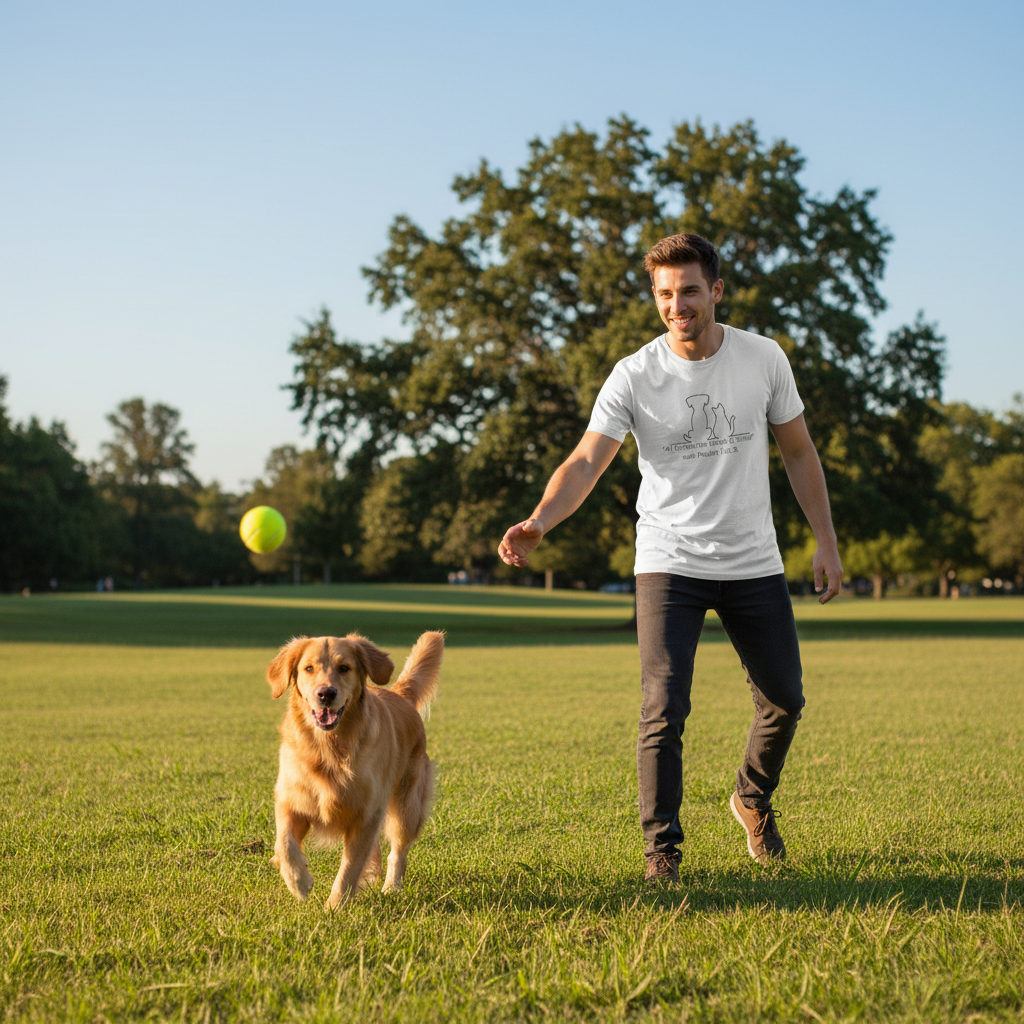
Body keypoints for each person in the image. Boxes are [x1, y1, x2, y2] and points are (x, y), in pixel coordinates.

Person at [498, 233, 842, 882]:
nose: (676, 305)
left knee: (784, 700)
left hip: (752, 559)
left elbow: (799, 451)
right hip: (669, 558)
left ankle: (752, 797)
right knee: (663, 708)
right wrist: (540, 520)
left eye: (688, 291)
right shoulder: (634, 374)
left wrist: (825, 541)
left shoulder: (764, 358)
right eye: (664, 294)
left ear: (716, 291)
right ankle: (663, 854)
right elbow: (586, 461)